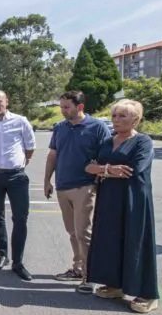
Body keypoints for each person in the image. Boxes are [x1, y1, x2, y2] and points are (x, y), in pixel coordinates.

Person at [84, 99, 159, 313]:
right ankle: (114, 285)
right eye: (114, 116)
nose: (116, 120)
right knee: (110, 240)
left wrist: (102, 169)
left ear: (136, 120)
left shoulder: (143, 141)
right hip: (109, 198)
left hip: (134, 199)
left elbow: (133, 169)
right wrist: (109, 170)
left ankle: (147, 294)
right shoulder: (108, 141)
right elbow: (88, 166)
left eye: (122, 116)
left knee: (136, 242)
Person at [44, 91, 111, 294]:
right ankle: (78, 268)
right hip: (63, 186)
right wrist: (47, 180)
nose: (63, 111)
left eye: (67, 107)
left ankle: (90, 277)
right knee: (72, 232)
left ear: (80, 107)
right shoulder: (60, 127)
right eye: (61, 107)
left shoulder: (97, 127)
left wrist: (100, 174)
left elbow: (107, 154)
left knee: (83, 233)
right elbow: (53, 155)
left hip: (85, 187)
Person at [0, 90, 36, 281]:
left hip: (17, 176)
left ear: (6, 101)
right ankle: (3, 255)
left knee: (20, 218)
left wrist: (19, 163)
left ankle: (18, 262)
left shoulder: (21, 121)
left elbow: (30, 147)